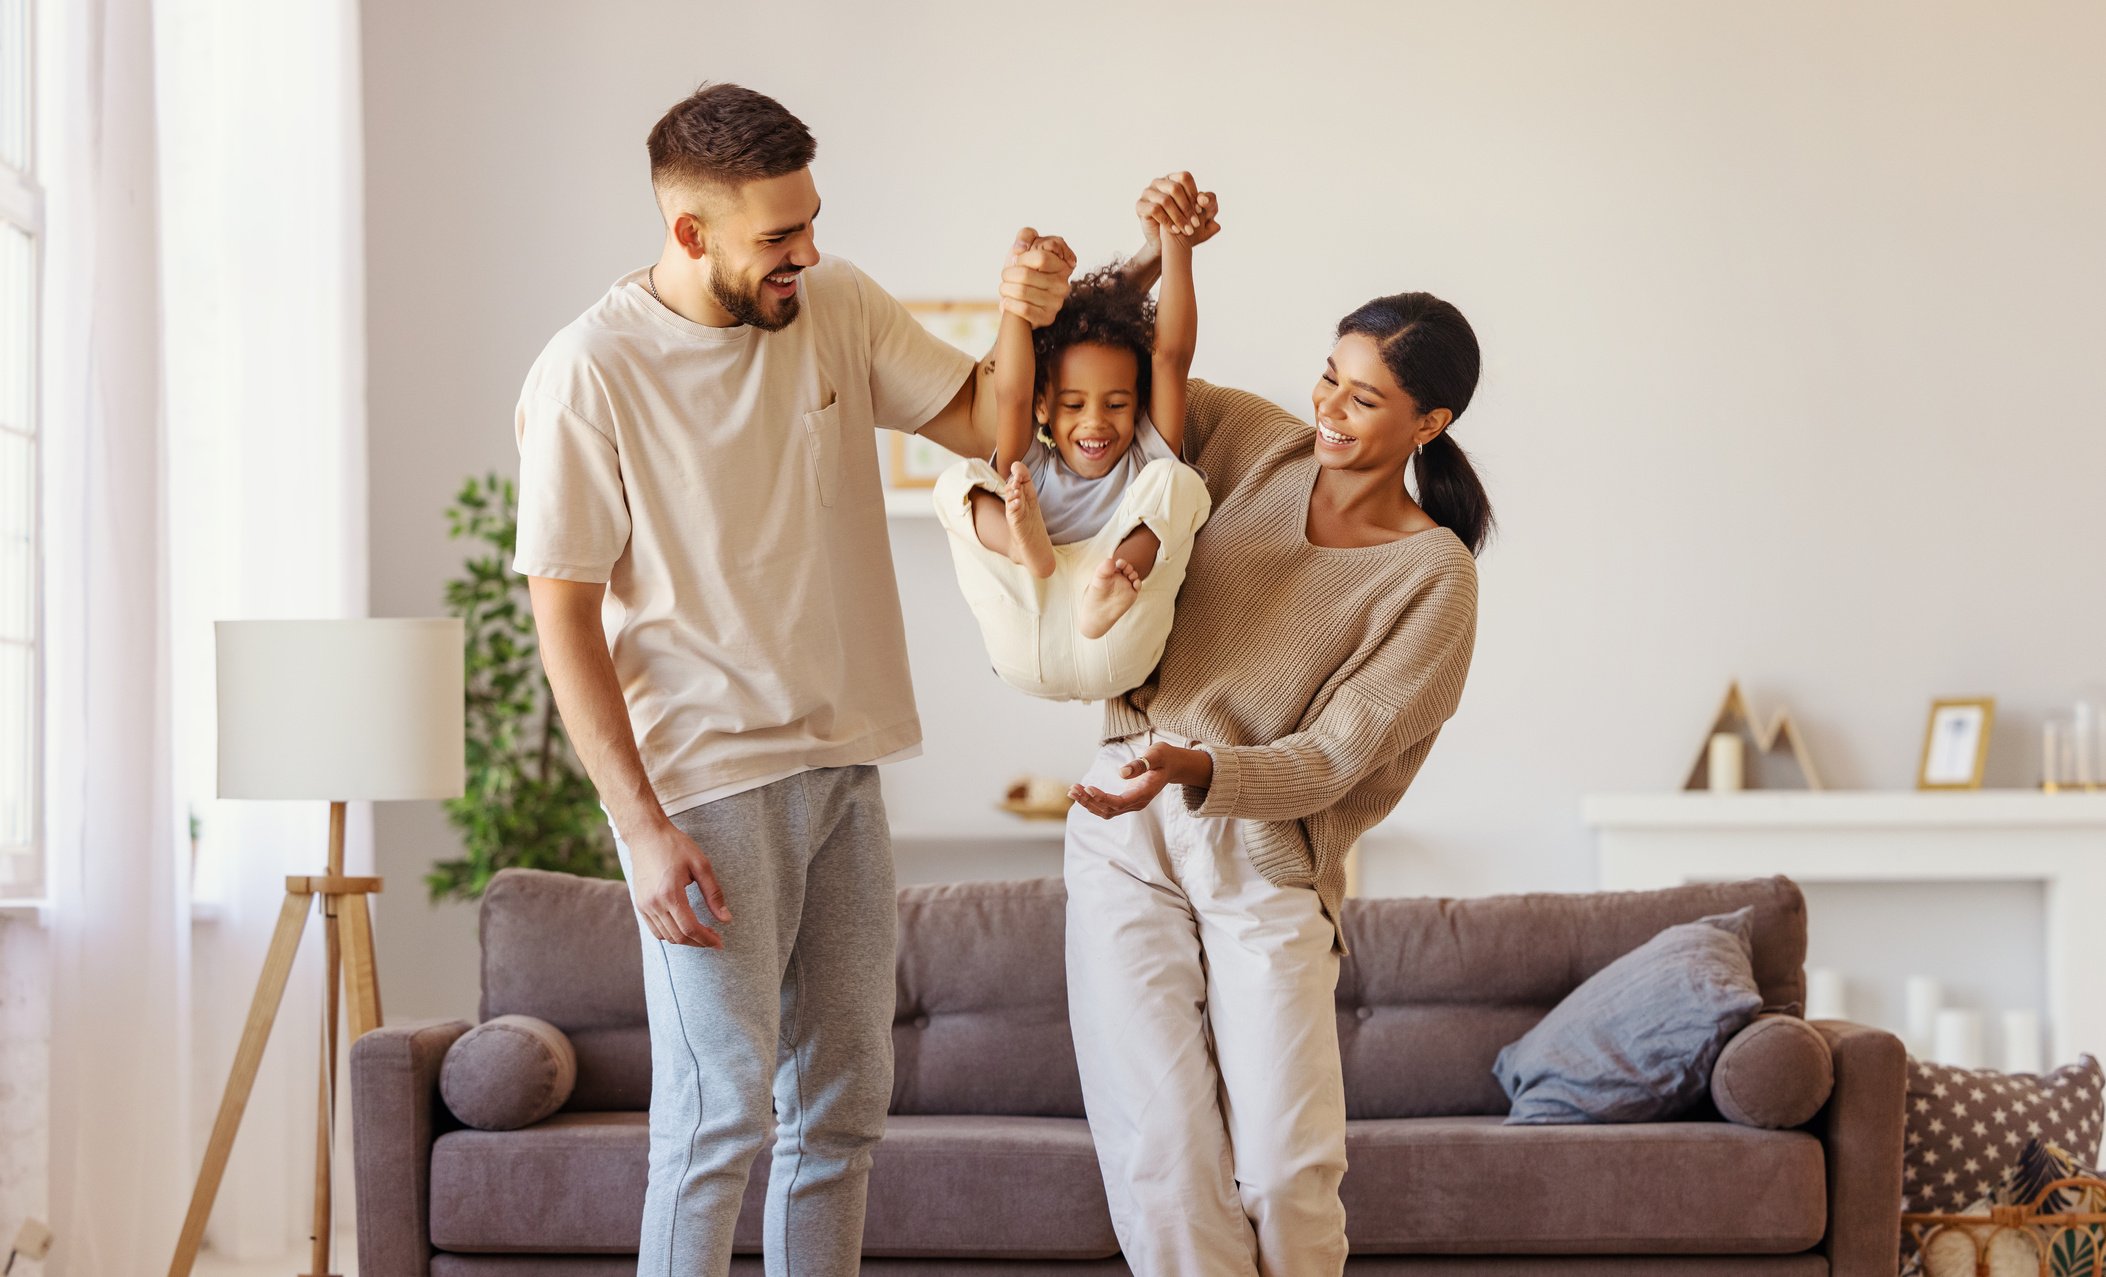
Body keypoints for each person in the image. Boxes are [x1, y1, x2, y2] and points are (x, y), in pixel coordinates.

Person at [511, 82, 1073, 1277]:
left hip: (846, 763)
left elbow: (989, 426)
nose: (804, 253)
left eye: (810, 222)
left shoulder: (835, 304)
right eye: (777, 236)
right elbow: (561, 611)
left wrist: (1023, 317)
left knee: (842, 1115)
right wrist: (642, 827)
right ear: (689, 233)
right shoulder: (588, 370)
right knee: (716, 1120)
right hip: (705, 785)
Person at [1061, 171, 1492, 1277]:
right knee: (1158, 1161)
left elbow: (1338, 753)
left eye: (1364, 400)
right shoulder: (1247, 440)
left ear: (1428, 423)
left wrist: (1194, 761)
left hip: (1263, 852)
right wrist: (1163, 249)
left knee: (1287, 1170)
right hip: (1124, 821)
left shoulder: (1431, 576)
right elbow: (1115, 366)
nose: (1329, 412)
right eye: (1328, 379)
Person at [931, 201, 1214, 701]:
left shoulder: (1148, 458)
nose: (1095, 422)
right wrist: (1017, 303)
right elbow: (1010, 392)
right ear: (1044, 406)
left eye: (1117, 403)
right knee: (958, 483)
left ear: (1140, 405)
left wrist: (1178, 245)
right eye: (1073, 404)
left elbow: (1171, 357)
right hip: (1028, 622)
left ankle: (1121, 574)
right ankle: (1020, 544)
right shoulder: (1028, 468)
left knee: (1178, 481)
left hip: (1115, 631)